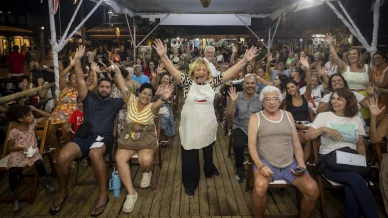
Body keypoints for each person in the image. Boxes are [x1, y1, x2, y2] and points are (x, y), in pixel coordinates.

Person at [153, 38, 258, 197]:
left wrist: (244, 60)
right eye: (198, 70)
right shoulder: (187, 83)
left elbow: (229, 72)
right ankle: (191, 181)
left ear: (208, 73)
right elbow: (173, 71)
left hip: (208, 123)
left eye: (203, 70)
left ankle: (209, 169)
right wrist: (163, 56)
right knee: (190, 153)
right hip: (190, 125)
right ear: (193, 72)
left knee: (208, 149)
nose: (201, 72)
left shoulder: (213, 82)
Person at [50, 45, 125, 216]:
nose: (104, 89)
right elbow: (80, 79)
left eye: (107, 87)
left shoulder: (115, 102)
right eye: (102, 86)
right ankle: (63, 193)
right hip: (84, 136)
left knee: (95, 154)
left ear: (111, 89)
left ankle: (103, 195)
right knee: (62, 157)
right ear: (98, 86)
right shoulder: (88, 98)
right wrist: (77, 60)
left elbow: (128, 94)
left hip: (104, 138)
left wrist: (117, 74)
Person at [305, 88, 379, 218]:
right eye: (333, 98)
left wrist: (361, 159)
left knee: (352, 184)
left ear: (348, 101)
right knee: (356, 179)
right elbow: (308, 136)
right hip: (330, 161)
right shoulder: (324, 116)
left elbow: (360, 144)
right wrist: (324, 129)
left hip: (351, 161)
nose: (334, 101)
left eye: (339, 99)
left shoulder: (356, 119)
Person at [248, 86, 319, 218]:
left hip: (290, 164)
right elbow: (251, 146)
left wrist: (301, 163)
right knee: (259, 187)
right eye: (267, 99)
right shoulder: (255, 118)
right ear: (262, 102)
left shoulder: (288, 115)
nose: (271, 102)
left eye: (275, 98)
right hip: (266, 162)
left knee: (312, 189)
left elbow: (296, 144)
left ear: (279, 101)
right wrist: (260, 165)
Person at [114, 74, 174, 213]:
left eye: (149, 95)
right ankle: (131, 193)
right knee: (119, 158)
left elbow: (159, 103)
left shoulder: (153, 107)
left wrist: (163, 97)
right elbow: (123, 86)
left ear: (152, 97)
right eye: (144, 93)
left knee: (146, 161)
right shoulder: (131, 100)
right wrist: (117, 72)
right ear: (139, 93)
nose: (146, 96)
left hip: (146, 138)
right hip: (129, 138)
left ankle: (147, 170)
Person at [6, 105, 55, 212]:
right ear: (20, 119)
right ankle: (15, 198)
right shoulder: (14, 131)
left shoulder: (32, 124)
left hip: (32, 151)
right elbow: (9, 147)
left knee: (38, 162)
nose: (32, 116)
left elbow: (50, 116)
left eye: (31, 114)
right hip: (18, 153)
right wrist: (19, 148)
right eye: (29, 115)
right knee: (12, 170)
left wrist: (36, 110)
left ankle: (45, 183)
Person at [226, 75, 261, 183]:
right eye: (247, 83)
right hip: (241, 127)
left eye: (252, 83)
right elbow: (229, 116)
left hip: (258, 128)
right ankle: (240, 166)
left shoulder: (261, 98)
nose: (250, 85)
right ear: (243, 85)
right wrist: (232, 102)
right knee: (238, 145)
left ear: (256, 85)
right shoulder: (237, 97)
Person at [282, 59, 312, 162]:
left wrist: (307, 70)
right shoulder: (286, 102)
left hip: (307, 127)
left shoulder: (305, 97)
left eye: (292, 87)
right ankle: (300, 164)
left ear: (297, 87)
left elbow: (309, 84)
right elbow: (284, 119)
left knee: (309, 138)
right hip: (293, 127)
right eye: (288, 88)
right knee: (304, 138)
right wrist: (299, 126)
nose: (290, 90)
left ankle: (302, 164)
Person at [46, 57, 78, 152]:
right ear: (69, 80)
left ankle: (69, 150)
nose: (75, 80)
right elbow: (62, 76)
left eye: (77, 78)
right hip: (58, 113)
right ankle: (58, 150)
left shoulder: (80, 89)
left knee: (65, 129)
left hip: (71, 114)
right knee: (49, 130)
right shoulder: (64, 88)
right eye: (72, 78)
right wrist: (71, 65)